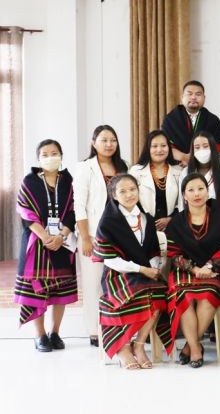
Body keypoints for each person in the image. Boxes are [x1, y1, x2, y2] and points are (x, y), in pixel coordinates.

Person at [92, 174, 171, 368]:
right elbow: (110, 259)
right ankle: (123, 348)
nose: (129, 194)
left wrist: (152, 268)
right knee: (138, 292)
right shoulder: (108, 222)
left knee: (160, 293)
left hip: (144, 272)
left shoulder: (146, 218)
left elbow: (153, 251)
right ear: (114, 195)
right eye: (123, 191)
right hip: (117, 274)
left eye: (132, 189)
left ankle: (139, 345)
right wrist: (141, 269)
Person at [165, 174, 220, 368]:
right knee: (183, 294)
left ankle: (190, 346)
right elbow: (173, 253)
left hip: (214, 269)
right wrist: (194, 268)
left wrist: (209, 266)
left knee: (208, 294)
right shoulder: (177, 222)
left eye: (201, 188)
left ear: (207, 191)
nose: (197, 193)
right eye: (191, 190)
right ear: (184, 195)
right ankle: (196, 349)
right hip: (185, 270)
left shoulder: (219, 214)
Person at [15, 140, 77, 352]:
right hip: (36, 243)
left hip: (62, 242)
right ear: (38, 158)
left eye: (54, 153)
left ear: (61, 155)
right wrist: (44, 236)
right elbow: (25, 211)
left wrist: (61, 235)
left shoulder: (69, 181)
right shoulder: (29, 181)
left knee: (61, 291)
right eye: (45, 154)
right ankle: (40, 335)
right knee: (36, 291)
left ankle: (55, 332)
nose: (50, 156)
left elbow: (73, 211)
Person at [73, 125, 129, 347]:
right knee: (94, 283)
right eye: (104, 140)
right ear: (93, 143)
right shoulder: (85, 168)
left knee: (118, 282)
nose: (109, 144)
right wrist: (85, 237)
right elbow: (79, 205)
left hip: (119, 235)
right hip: (94, 235)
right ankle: (96, 330)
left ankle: (119, 325)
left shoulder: (123, 166)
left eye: (113, 140)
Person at [129, 130, 184, 232]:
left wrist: (171, 219)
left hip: (172, 227)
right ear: (148, 148)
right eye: (154, 146)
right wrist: (147, 220)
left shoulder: (179, 171)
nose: (159, 150)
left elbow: (182, 202)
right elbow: (132, 200)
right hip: (142, 226)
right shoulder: (136, 171)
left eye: (163, 145)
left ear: (169, 148)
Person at [161, 80, 220, 166]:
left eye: (198, 94)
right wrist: (183, 157)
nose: (193, 97)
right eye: (189, 94)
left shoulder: (213, 120)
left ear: (204, 98)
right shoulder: (170, 119)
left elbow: (217, 148)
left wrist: (194, 161)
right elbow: (165, 145)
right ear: (182, 97)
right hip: (176, 166)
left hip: (204, 166)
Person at [187, 131, 220, 202]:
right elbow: (182, 204)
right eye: (197, 147)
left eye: (205, 146)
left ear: (212, 148)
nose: (201, 150)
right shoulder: (185, 173)